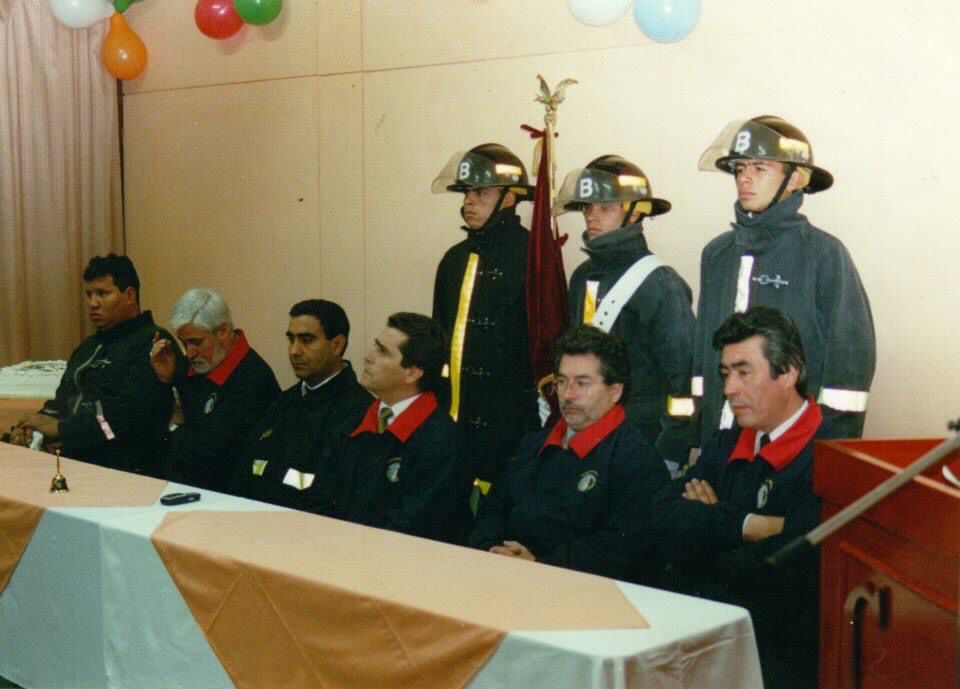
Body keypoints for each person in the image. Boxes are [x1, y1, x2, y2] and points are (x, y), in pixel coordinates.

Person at [654, 306, 839, 689]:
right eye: (726, 374)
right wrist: (747, 525)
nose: (729, 390)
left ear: (788, 373)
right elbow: (661, 515)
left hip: (777, 656)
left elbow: (777, 570)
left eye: (744, 372)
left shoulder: (831, 455)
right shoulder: (727, 442)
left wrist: (709, 524)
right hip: (704, 634)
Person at [693, 115, 875, 447]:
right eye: (739, 168)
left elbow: (849, 365)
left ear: (795, 179)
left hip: (793, 445)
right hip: (720, 442)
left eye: (760, 168)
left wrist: (830, 450)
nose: (744, 178)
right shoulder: (717, 254)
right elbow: (703, 353)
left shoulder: (823, 254)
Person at [469, 325, 670, 581]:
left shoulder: (637, 460)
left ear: (615, 391)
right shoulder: (533, 444)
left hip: (581, 589)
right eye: (562, 382)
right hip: (503, 572)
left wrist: (540, 565)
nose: (567, 395)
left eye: (582, 384)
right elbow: (492, 510)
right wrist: (491, 549)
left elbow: (622, 549)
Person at [559, 155, 696, 472]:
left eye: (605, 207)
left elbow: (685, 379)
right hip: (586, 434)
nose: (592, 216)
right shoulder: (582, 276)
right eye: (587, 207)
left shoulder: (660, 284)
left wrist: (670, 450)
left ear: (635, 212)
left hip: (641, 440)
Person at [431, 143, 539, 492]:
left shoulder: (535, 257)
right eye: (466, 192)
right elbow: (438, 337)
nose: (468, 202)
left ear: (509, 198)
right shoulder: (454, 260)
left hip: (512, 424)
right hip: (455, 419)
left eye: (481, 192)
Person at [6, 254, 174, 476]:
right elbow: (62, 402)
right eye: (89, 294)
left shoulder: (153, 342)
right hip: (73, 459)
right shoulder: (88, 346)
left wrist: (62, 430)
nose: (92, 303)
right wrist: (33, 426)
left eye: (102, 294)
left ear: (129, 295)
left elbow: (126, 420)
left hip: (123, 466)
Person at [322, 312, 472, 543]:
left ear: (412, 372)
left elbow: (415, 524)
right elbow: (322, 493)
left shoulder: (442, 441)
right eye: (375, 346)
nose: (367, 357)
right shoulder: (352, 420)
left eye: (382, 352)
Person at [231, 299, 371, 510]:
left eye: (307, 340)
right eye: (291, 339)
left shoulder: (358, 411)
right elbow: (245, 470)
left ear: (337, 345)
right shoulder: (284, 401)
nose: (294, 351)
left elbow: (333, 497)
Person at [149, 288, 280, 492]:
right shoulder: (192, 366)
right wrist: (166, 381)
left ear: (223, 332)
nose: (189, 353)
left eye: (196, 342)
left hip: (232, 495)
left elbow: (208, 455)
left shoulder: (253, 380)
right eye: (183, 343)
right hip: (187, 487)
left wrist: (175, 427)